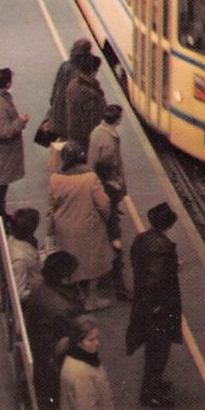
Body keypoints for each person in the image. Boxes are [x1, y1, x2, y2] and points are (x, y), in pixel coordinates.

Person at [126, 202, 183, 409]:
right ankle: (149, 394)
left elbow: (142, 266)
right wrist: (157, 306)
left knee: (154, 351)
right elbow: (156, 279)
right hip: (158, 311)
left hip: (144, 305)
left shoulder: (142, 238)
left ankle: (154, 385)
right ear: (169, 225)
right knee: (158, 353)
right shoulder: (164, 248)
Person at [47, 141, 115, 311]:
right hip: (89, 227)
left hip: (64, 227)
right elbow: (104, 203)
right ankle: (91, 299)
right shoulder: (90, 178)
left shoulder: (55, 179)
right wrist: (106, 218)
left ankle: (75, 297)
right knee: (93, 264)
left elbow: (51, 205)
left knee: (70, 263)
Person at [25, 250, 82, 410]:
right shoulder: (63, 307)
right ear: (65, 278)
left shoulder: (38, 285)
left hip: (41, 353)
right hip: (56, 362)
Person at [88, 104, 131, 301]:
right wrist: (118, 185)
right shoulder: (110, 140)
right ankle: (119, 286)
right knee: (114, 238)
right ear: (117, 119)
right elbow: (109, 164)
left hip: (102, 186)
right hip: (108, 190)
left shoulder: (97, 131)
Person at [0, 66, 29, 220]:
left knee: (0, 188)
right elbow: (2, 132)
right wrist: (20, 122)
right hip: (0, 155)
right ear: (7, 84)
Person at [58, 313, 114, 410]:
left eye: (97, 338)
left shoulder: (80, 357)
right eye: (91, 340)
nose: (97, 343)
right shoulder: (81, 374)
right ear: (78, 342)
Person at [48, 37, 93, 140]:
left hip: (58, 113)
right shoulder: (83, 73)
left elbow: (55, 88)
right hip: (71, 119)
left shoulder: (65, 66)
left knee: (61, 144)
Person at [64, 46, 106, 154]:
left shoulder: (73, 84)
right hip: (86, 140)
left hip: (75, 134)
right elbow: (91, 120)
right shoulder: (88, 93)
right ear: (93, 72)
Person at [8, 207, 41, 303]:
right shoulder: (20, 260)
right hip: (36, 292)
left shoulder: (13, 240)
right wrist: (42, 291)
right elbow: (20, 294)